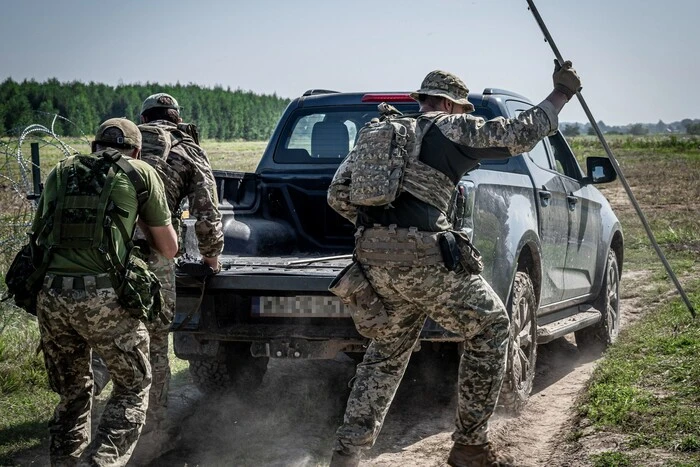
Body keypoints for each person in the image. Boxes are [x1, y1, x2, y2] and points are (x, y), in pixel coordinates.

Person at [328, 61, 581, 467]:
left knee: (385, 355)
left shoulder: (378, 134)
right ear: (449, 103)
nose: (466, 114)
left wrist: (383, 232)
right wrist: (561, 94)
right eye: (464, 108)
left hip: (373, 264)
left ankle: (346, 454)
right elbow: (518, 135)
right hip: (424, 261)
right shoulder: (449, 126)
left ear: (422, 98)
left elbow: (337, 196)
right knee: (493, 325)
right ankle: (469, 446)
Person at [33, 118, 178, 466]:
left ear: (94, 145)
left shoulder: (61, 170)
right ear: (137, 149)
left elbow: (39, 232)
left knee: (73, 393)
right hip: (105, 299)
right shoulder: (141, 171)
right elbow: (168, 248)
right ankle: (102, 461)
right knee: (132, 387)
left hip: (52, 298)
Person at [131, 92, 223, 457]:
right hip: (155, 252)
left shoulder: (126, 145)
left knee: (107, 338)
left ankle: (85, 421)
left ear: (144, 117)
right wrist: (212, 258)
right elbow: (207, 210)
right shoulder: (187, 149)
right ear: (176, 118)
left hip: (104, 252)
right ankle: (153, 433)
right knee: (155, 343)